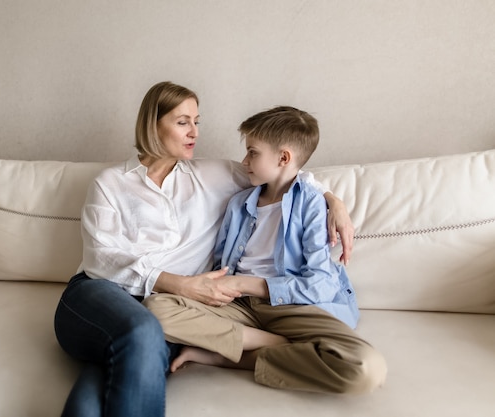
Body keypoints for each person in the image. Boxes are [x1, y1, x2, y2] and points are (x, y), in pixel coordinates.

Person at [54, 83, 355, 417]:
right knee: (142, 330)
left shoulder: (212, 174)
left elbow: (285, 171)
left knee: (116, 367)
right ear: (153, 124)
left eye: (197, 121)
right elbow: (101, 260)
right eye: (183, 122)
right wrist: (180, 284)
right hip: (100, 292)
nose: (194, 132)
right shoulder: (110, 182)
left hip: (171, 309)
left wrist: (332, 200)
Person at [143, 106, 387, 394]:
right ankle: (274, 342)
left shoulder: (311, 204)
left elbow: (320, 283)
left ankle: (231, 356)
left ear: (283, 157)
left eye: (253, 152)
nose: (244, 161)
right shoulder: (239, 203)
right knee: (155, 309)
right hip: (238, 305)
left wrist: (249, 284)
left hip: (293, 306)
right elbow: (223, 261)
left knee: (366, 368)